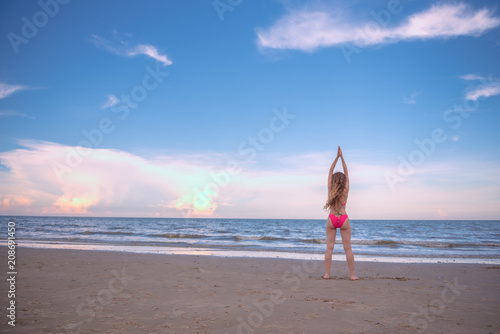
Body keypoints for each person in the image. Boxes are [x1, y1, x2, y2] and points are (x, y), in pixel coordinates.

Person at [322, 146, 359, 280]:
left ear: (333, 180)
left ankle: (327, 274)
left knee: (329, 248)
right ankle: (352, 275)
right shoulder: (346, 190)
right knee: (347, 248)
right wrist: (342, 157)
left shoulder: (330, 188)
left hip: (332, 218)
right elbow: (347, 173)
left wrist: (336, 157)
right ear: (343, 181)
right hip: (343, 218)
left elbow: (330, 170)